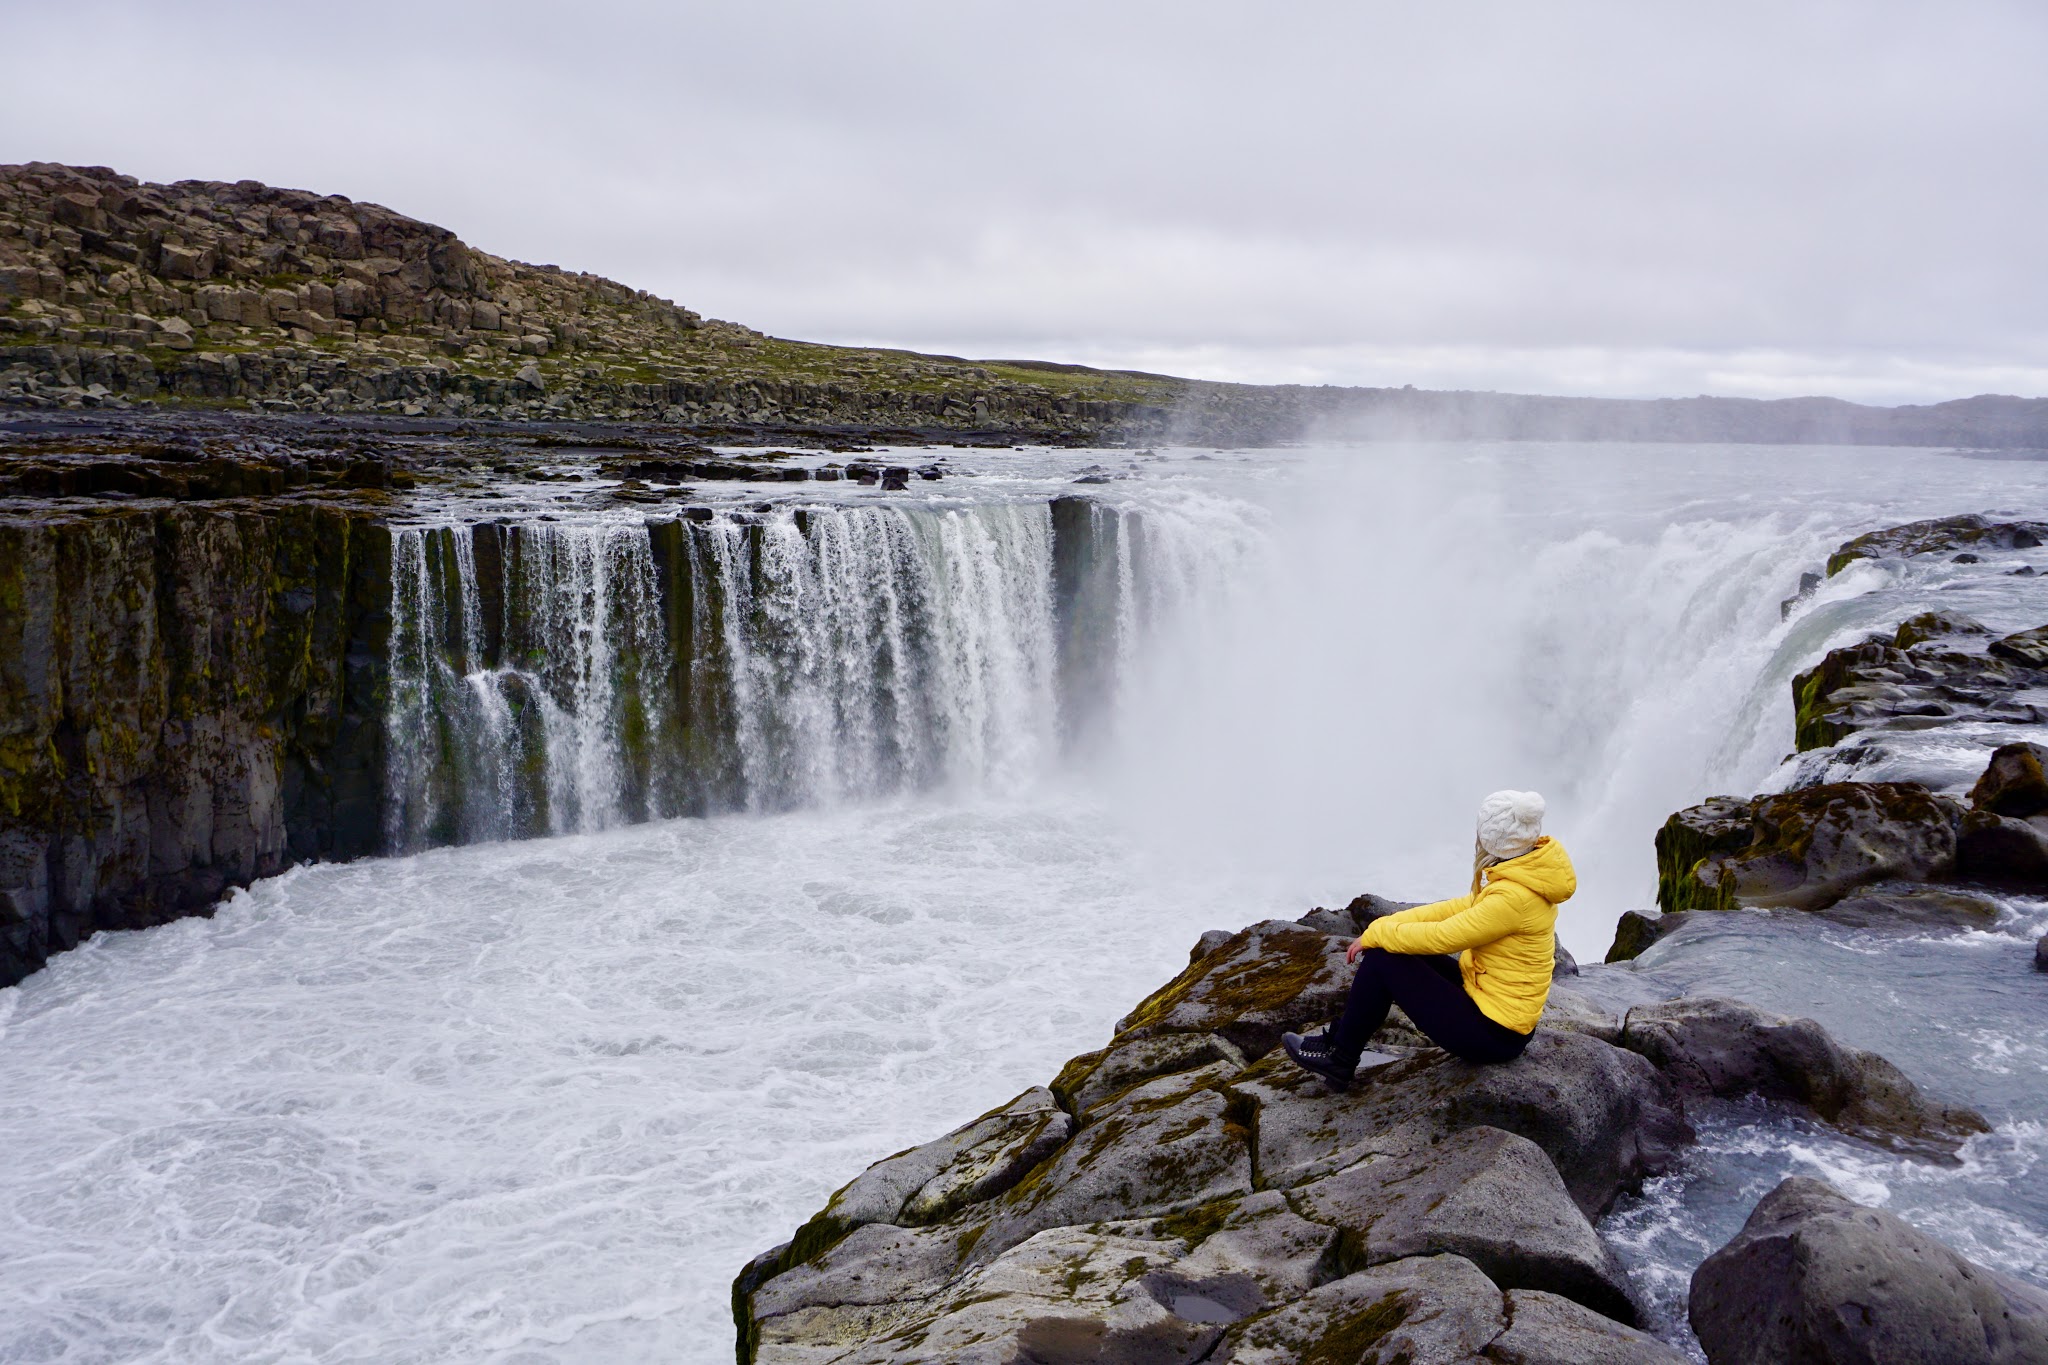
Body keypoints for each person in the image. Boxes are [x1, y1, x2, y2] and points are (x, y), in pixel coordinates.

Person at [1282, 790, 1573, 1091]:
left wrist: (1379, 934)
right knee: (1389, 949)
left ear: (1492, 840)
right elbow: (1454, 909)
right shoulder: (1523, 873)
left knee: (1383, 960)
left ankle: (1340, 1057)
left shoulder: (1514, 898)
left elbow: (1444, 936)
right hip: (1488, 1003)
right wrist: (1387, 923)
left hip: (1494, 1034)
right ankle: (1340, 1050)